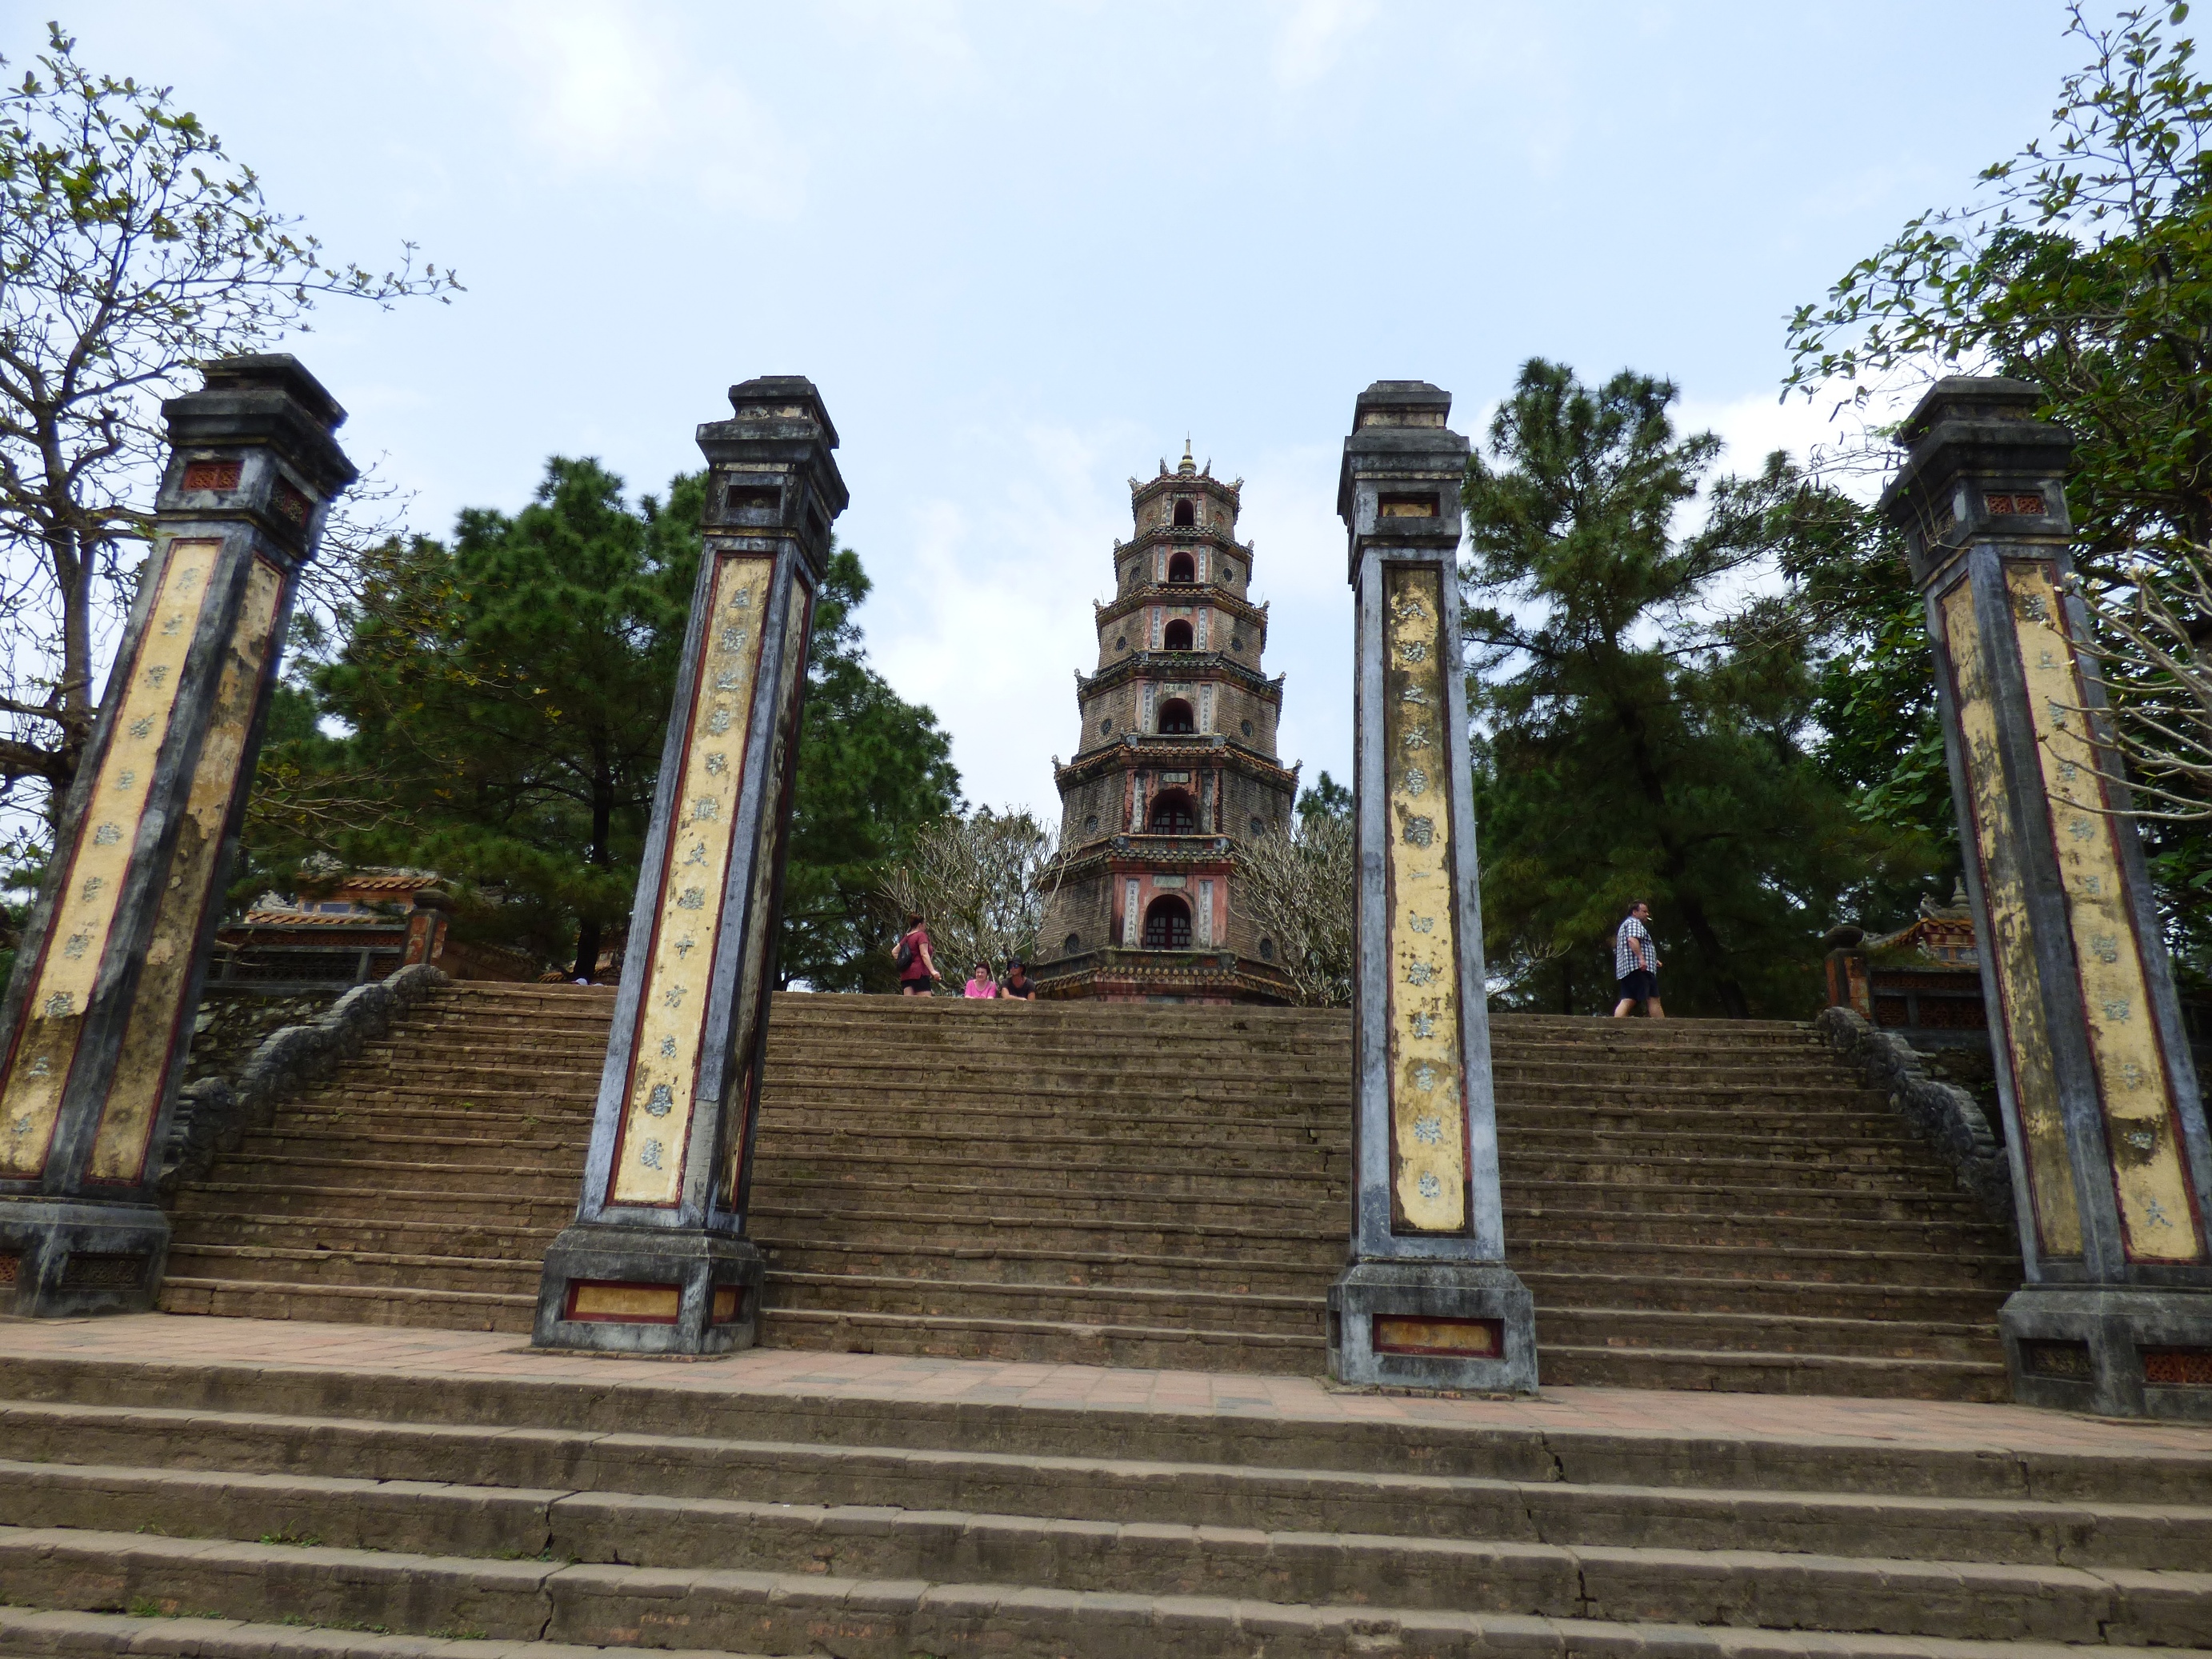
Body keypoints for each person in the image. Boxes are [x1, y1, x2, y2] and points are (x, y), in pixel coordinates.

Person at [1613, 900, 1663, 1018]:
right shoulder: (1633, 923)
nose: (1647, 914)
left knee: (1628, 999)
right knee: (1654, 999)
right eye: (1644, 911)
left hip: (1627, 970)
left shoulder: (1626, 924)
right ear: (1635, 912)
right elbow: (1632, 940)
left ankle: (1616, 1025)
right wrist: (1642, 959)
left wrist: (1653, 959)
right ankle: (1664, 1028)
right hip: (1639, 968)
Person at [894, 912, 940, 996]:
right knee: (925, 1005)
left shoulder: (907, 937)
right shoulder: (921, 935)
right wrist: (933, 971)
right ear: (920, 925)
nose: (925, 927)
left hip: (906, 976)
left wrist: (905, 961)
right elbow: (924, 954)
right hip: (920, 974)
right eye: (924, 925)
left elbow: (894, 952)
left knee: (910, 1005)